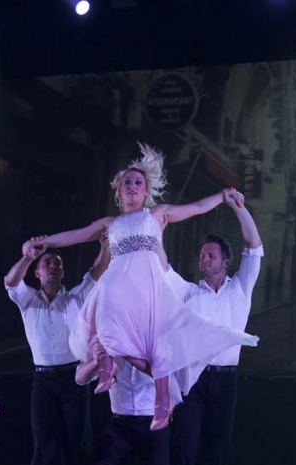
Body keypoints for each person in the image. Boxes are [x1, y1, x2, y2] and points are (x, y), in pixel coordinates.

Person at [24, 142, 258, 431]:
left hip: (147, 288)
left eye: (138, 182)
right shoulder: (111, 223)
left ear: (146, 190)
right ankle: (107, 364)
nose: (132, 186)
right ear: (119, 192)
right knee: (106, 318)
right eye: (127, 183)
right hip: (117, 286)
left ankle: (163, 400)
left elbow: (196, 208)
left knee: (157, 345)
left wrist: (222, 196)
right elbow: (76, 235)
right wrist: (44, 242)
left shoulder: (157, 215)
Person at [165, 190, 262, 465]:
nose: (203, 259)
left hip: (226, 381)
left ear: (226, 261)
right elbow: (162, 268)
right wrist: (153, 227)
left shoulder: (241, 289)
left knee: (215, 456)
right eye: (202, 255)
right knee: (185, 453)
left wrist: (238, 207)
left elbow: (255, 246)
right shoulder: (189, 293)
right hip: (194, 381)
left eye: (210, 255)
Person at [4, 239, 109, 465]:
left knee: (77, 452)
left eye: (58, 264)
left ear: (63, 273)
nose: (52, 266)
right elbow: (10, 281)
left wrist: (105, 244)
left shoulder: (76, 298)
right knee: (43, 453)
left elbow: (97, 272)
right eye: (47, 263)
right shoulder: (28, 300)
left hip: (74, 380)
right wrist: (27, 256)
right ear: (37, 272)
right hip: (43, 383)